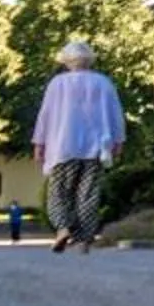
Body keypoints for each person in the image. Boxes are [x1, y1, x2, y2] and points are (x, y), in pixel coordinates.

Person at [32, 40, 125, 254]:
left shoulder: (57, 84)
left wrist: (39, 143)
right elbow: (115, 114)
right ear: (89, 60)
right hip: (95, 148)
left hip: (63, 146)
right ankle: (84, 240)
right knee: (88, 195)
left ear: (66, 61)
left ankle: (63, 228)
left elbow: (45, 115)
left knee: (58, 193)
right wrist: (118, 141)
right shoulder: (103, 83)